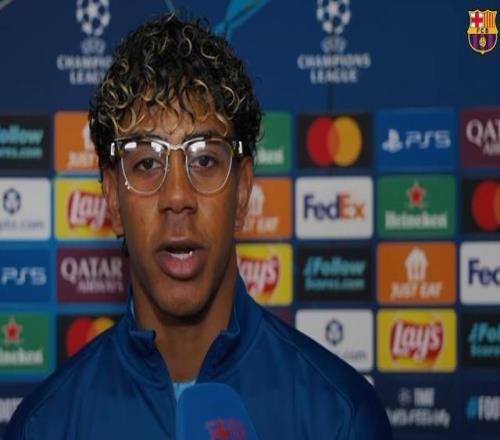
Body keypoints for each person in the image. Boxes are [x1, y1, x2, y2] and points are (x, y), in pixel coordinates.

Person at [6, 12, 392, 439]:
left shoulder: (339, 417)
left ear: (242, 193)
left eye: (205, 159)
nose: (177, 196)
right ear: (113, 199)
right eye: (147, 163)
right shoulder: (45, 426)